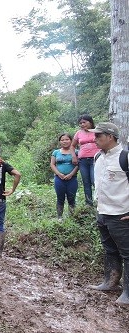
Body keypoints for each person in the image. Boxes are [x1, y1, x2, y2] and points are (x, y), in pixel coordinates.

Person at [87, 122, 129, 306]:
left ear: (110, 137)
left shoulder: (125, 157)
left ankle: (128, 293)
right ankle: (110, 282)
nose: (94, 139)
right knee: (110, 250)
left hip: (121, 214)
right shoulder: (98, 157)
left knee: (127, 253)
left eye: (98, 136)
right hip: (102, 211)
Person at [71, 114, 99, 206]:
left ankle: (100, 201)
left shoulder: (97, 131)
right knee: (86, 182)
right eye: (80, 123)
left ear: (90, 122)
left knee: (94, 181)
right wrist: (74, 156)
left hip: (96, 159)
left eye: (84, 122)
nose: (82, 124)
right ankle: (89, 203)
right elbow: (72, 146)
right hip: (82, 160)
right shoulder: (79, 133)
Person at [50, 133, 79, 219]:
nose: (64, 141)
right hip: (59, 179)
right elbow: (52, 164)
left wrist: (71, 174)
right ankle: (59, 218)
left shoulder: (76, 152)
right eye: (62, 140)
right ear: (59, 142)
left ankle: (72, 217)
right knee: (60, 198)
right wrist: (59, 174)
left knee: (71, 199)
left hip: (72, 179)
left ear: (71, 140)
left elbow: (78, 165)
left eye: (67, 139)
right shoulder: (56, 152)